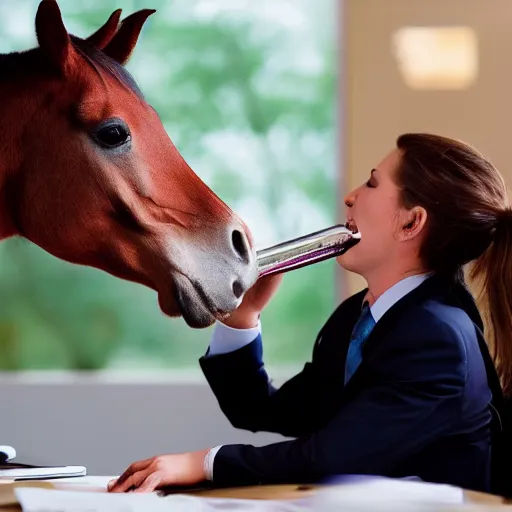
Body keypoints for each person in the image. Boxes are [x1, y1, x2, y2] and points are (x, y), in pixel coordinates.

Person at [107, 133, 512, 495]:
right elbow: (264, 410)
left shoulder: (438, 337)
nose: (351, 196)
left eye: (372, 183)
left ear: (411, 222)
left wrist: (204, 463)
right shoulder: (358, 316)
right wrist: (243, 316)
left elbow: (332, 457)